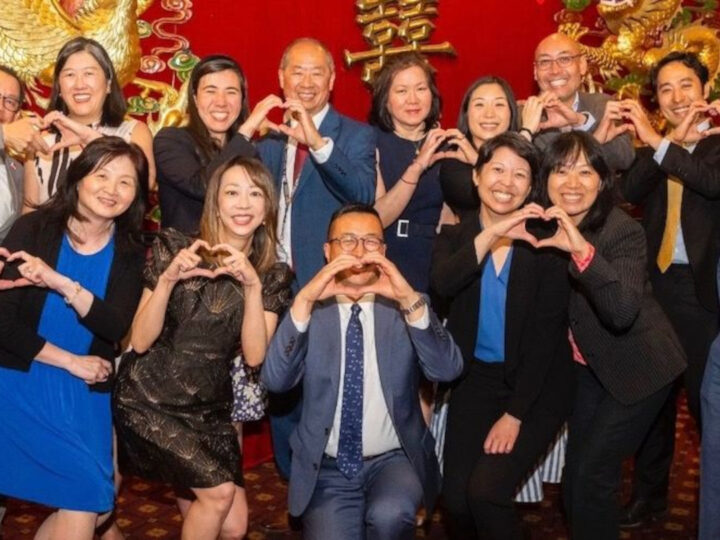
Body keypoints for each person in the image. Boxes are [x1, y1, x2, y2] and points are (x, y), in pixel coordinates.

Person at [113, 156, 292, 540]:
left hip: (209, 406)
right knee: (218, 495)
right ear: (215, 202)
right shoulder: (175, 246)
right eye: (232, 192)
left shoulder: (272, 275)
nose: (243, 204)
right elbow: (140, 341)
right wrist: (166, 281)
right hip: (149, 396)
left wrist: (251, 286)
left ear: (267, 210)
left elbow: (255, 356)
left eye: (254, 193)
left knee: (235, 525)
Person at [261, 203, 462, 540]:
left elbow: (447, 368)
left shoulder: (408, 306)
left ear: (383, 251)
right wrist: (304, 302)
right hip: (327, 466)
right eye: (347, 241)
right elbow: (276, 381)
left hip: (394, 459)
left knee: (390, 516)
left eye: (370, 242)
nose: (358, 251)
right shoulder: (309, 309)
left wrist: (410, 301)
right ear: (328, 251)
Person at [534, 131, 686, 539]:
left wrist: (583, 251)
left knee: (592, 475)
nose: (572, 183)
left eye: (585, 172)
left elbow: (621, 311)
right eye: (561, 171)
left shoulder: (621, 231)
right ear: (545, 179)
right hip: (592, 366)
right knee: (575, 480)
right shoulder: (542, 226)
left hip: (642, 366)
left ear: (602, 181)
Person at [0, 136, 148, 540]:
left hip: (84, 396)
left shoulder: (132, 250)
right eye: (102, 175)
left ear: (136, 195)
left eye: (125, 182)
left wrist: (60, 282)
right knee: (87, 503)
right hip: (20, 381)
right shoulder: (33, 228)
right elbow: (3, 323)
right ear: (79, 178)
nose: (111, 190)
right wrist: (69, 360)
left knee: (95, 507)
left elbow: (114, 326)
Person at [431, 132, 574, 540]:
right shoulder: (453, 239)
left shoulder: (545, 244)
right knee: (455, 499)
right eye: (497, 170)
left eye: (520, 175)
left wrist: (515, 414)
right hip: (476, 381)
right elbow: (443, 282)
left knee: (487, 492)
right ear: (476, 176)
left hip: (539, 386)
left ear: (531, 188)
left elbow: (546, 339)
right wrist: (491, 234)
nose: (506, 182)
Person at [256, 37, 376, 480]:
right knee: (281, 389)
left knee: (327, 390)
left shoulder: (356, 135)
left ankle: (331, 487)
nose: (306, 82)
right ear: (281, 77)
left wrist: (319, 144)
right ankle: (294, 487)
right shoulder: (266, 138)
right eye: (296, 72)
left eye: (316, 73)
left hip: (328, 287)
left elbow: (363, 195)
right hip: (270, 288)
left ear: (331, 80)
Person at [619, 51, 720, 527]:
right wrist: (663, 146)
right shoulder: (657, 150)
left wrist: (663, 144)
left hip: (703, 292)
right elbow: (627, 192)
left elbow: (707, 182)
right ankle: (649, 494)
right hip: (656, 286)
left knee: (706, 400)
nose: (677, 97)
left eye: (686, 86)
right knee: (653, 397)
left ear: (705, 90)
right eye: (665, 89)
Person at [23, 37, 155, 211]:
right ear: (59, 88)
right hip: (48, 237)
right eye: (70, 75)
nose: (79, 84)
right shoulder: (41, 142)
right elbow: (29, 209)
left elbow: (145, 184)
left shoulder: (133, 132)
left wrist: (95, 142)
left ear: (108, 85)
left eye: (89, 74)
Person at [155, 54, 268, 234]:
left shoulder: (249, 150)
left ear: (242, 99)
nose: (221, 102)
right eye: (210, 91)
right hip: (187, 257)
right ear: (194, 97)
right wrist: (247, 129)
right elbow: (202, 186)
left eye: (231, 92)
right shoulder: (170, 140)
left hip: (240, 257)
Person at [369, 52, 444, 292]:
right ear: (386, 100)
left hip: (438, 261)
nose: (413, 99)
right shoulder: (372, 143)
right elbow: (377, 218)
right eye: (401, 91)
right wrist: (419, 164)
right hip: (391, 257)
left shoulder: (448, 143)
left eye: (421, 89)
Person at [527, 32, 634, 172]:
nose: (555, 70)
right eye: (545, 62)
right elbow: (543, 168)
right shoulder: (525, 114)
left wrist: (582, 123)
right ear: (535, 71)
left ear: (582, 65)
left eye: (565, 59)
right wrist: (596, 140)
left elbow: (623, 158)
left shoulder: (602, 105)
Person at [0, 65, 39, 244]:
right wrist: (4, 134)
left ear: (16, 116)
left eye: (10, 102)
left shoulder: (17, 172)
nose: (0, 108)